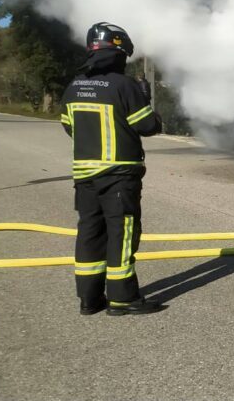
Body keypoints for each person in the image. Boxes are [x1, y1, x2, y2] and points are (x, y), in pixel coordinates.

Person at [60, 22, 164, 316]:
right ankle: (122, 298)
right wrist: (144, 99)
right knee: (122, 232)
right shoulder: (124, 86)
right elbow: (148, 126)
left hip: (84, 176)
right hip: (118, 176)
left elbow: (69, 126)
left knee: (90, 233)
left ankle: (89, 299)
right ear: (118, 52)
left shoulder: (74, 86)